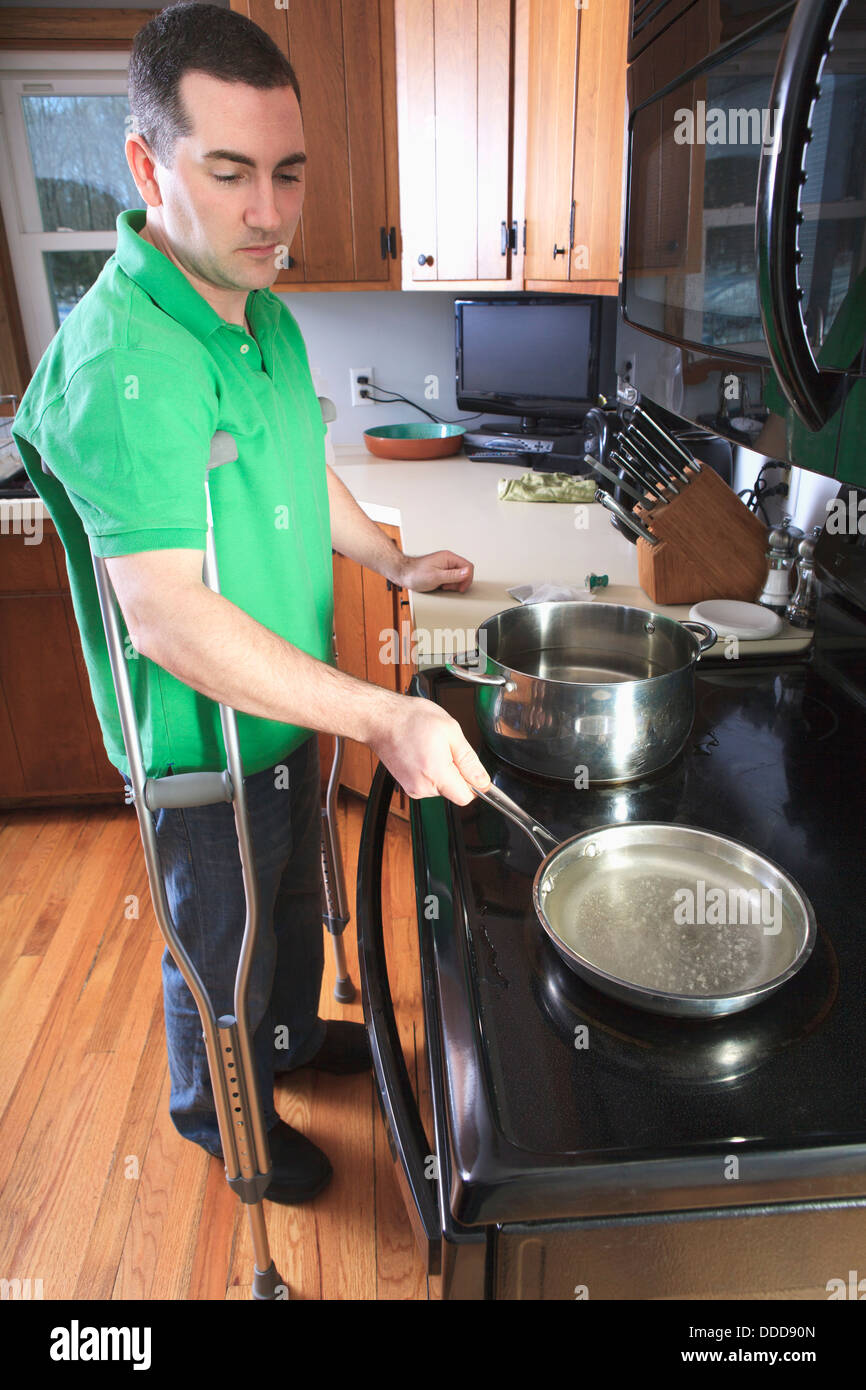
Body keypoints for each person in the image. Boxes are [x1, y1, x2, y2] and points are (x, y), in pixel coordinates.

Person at [12, 1, 491, 1205]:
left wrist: (387, 561)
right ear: (146, 165)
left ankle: (277, 1048)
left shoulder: (259, 311)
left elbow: (296, 459)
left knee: (287, 916)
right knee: (218, 952)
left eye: (286, 173)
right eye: (228, 173)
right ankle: (218, 1120)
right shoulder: (124, 362)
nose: (270, 213)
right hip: (200, 748)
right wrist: (380, 717)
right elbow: (166, 619)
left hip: (281, 719)